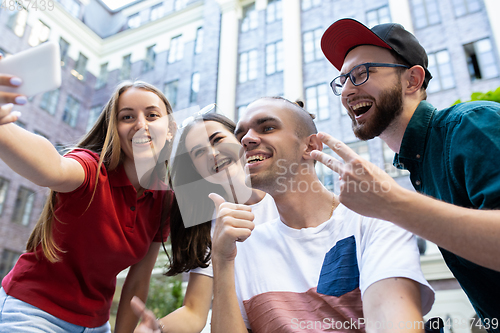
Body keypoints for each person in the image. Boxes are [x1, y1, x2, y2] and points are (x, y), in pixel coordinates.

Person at [317, 18, 500, 329]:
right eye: (343, 79)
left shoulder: (471, 124)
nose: (347, 90)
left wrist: (390, 202)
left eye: (361, 74)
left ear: (413, 80)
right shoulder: (419, 164)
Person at [211, 97, 434, 333]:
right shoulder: (242, 247)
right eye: (240, 135)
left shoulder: (374, 221)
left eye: (267, 127)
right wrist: (221, 260)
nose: (246, 140)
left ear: (310, 147)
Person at [0, 79, 176, 332]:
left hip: (95, 325)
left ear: (169, 128)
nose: (140, 124)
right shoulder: (91, 169)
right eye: (127, 117)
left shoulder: (164, 200)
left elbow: (138, 281)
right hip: (33, 311)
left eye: (152, 115)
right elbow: (54, 167)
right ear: (114, 128)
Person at [131, 112, 279, 332]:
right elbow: (193, 312)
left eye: (217, 140)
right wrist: (157, 329)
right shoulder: (211, 228)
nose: (212, 153)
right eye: (199, 152)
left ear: (241, 140)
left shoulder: (284, 199)